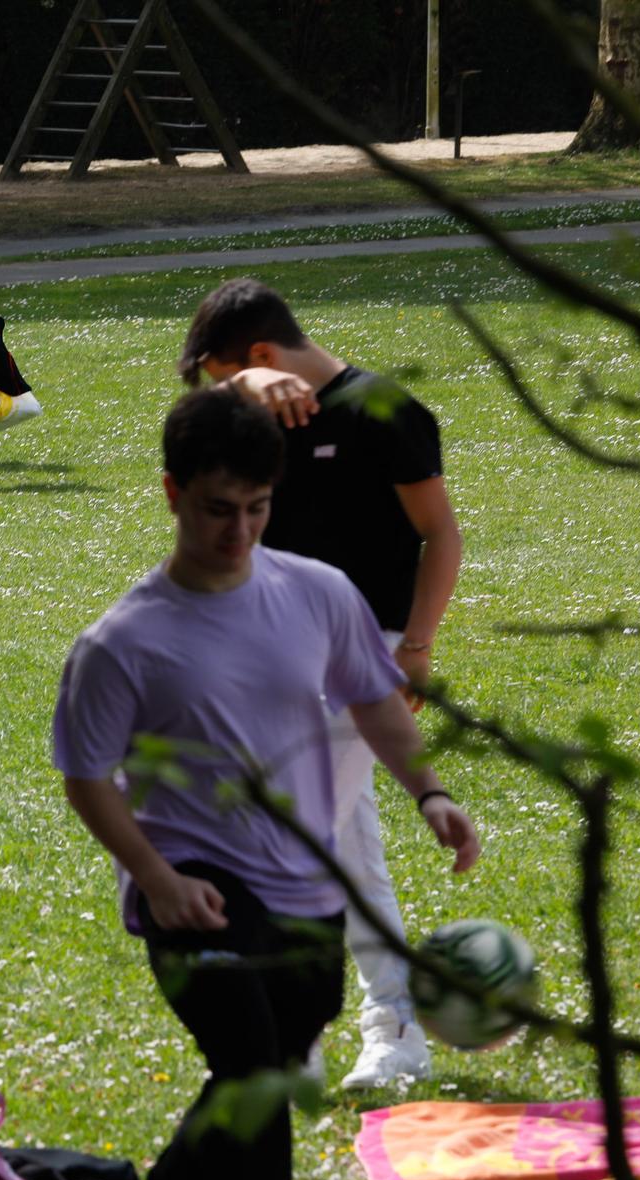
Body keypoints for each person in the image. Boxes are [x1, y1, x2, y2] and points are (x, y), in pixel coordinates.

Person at [52, 389, 479, 1180]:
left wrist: (430, 792)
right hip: (192, 889)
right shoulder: (122, 642)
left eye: (257, 508)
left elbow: (374, 698)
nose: (240, 530)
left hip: (306, 889)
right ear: (174, 495)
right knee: (251, 1065)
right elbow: (87, 778)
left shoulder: (317, 594)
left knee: (266, 1075)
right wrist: (158, 877)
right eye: (218, 509)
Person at [179, 277, 464, 1089]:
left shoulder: (385, 411)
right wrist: (239, 388)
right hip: (268, 654)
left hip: (362, 649)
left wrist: (416, 643)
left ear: (266, 351)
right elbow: (181, 445)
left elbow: (439, 533)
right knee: (327, 834)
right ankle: (343, 1023)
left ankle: (380, 1022)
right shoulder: (252, 415)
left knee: (323, 834)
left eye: (230, 371)